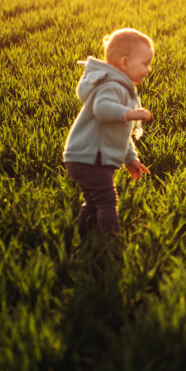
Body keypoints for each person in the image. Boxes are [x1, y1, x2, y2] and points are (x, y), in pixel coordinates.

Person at [63, 28, 154, 236]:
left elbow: (119, 133)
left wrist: (130, 159)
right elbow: (102, 110)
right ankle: (110, 242)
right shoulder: (111, 86)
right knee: (107, 202)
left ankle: (86, 236)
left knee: (95, 202)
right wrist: (131, 113)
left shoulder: (119, 86)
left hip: (84, 156)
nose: (148, 70)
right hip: (90, 157)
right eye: (145, 64)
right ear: (124, 63)